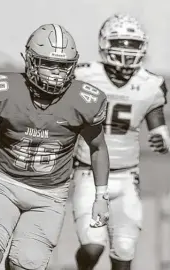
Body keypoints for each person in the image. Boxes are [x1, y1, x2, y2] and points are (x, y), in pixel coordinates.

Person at [0, 23, 110, 270]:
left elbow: (99, 148)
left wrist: (101, 196)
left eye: (62, 66)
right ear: (29, 61)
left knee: (26, 263)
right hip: (4, 184)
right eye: (48, 63)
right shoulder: (6, 91)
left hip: (49, 196)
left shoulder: (84, 101)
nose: (55, 72)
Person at [72, 13, 169, 270]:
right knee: (93, 247)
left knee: (124, 250)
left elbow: (154, 116)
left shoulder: (150, 84)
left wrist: (161, 134)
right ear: (105, 43)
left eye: (132, 44)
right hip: (88, 172)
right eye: (120, 43)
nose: (126, 50)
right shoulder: (84, 75)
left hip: (127, 175)